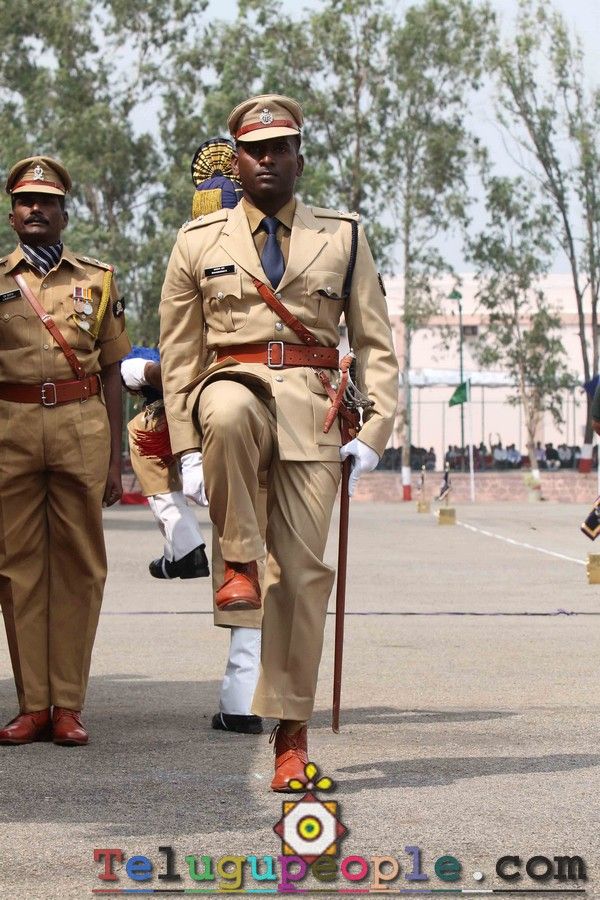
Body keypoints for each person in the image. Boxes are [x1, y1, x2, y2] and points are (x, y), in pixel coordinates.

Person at [159, 94, 398, 791]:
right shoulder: (196, 241)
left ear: (299, 157)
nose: (267, 160)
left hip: (314, 415)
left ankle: (290, 736)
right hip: (230, 391)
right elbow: (179, 356)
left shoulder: (343, 237)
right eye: (254, 150)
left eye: (279, 148)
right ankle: (237, 559)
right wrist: (187, 450)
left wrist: (374, 432)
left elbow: (375, 342)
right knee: (230, 408)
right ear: (236, 160)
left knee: (299, 579)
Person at [0, 156, 131, 745]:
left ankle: (69, 706)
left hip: (81, 426)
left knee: (80, 566)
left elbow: (114, 370)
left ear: (63, 214)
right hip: (11, 428)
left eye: (47, 202)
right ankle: (33, 705)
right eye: (25, 201)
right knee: (17, 569)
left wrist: (116, 460)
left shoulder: (97, 279)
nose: (36, 209)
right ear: (12, 215)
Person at [121, 350, 264, 734]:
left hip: (228, 416)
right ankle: (253, 699)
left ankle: (183, 544)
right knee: (262, 561)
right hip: (296, 417)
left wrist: (149, 373)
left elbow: (160, 366)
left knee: (144, 430)